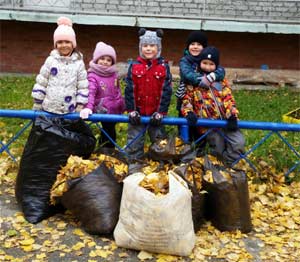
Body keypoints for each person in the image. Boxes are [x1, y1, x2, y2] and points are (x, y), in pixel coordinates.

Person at [181, 46, 245, 166]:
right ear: (200, 63)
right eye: (205, 63)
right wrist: (189, 112)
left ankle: (229, 164)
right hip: (209, 125)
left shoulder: (221, 81)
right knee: (217, 148)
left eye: (211, 64)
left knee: (238, 143)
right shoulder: (194, 83)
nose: (207, 67)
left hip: (226, 121)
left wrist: (231, 115)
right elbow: (187, 99)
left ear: (216, 66)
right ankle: (219, 168)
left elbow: (228, 98)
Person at [125, 28, 172, 172]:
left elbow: (166, 90)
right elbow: (129, 90)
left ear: (158, 47)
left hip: (155, 116)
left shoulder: (163, 67)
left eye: (152, 46)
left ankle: (160, 171)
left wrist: (161, 113)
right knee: (134, 144)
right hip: (138, 115)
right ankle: (134, 171)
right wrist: (132, 110)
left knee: (160, 145)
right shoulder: (134, 66)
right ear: (141, 47)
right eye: (145, 46)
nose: (148, 48)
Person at [175, 30, 225, 144]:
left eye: (199, 44)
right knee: (185, 122)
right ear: (188, 46)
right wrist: (204, 79)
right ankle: (184, 144)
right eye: (192, 44)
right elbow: (188, 75)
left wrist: (212, 76)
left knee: (200, 126)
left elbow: (221, 71)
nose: (195, 47)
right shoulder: (185, 61)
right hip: (186, 98)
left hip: (204, 99)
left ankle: (200, 146)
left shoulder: (208, 60)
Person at [31, 17, 88, 114]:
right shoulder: (51, 60)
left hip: (68, 109)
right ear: (56, 44)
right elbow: (42, 81)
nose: (64, 45)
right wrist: (38, 102)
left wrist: (80, 104)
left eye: (67, 42)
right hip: (48, 108)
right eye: (60, 42)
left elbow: (82, 85)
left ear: (73, 44)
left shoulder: (78, 63)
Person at [80, 42, 125, 148]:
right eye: (102, 58)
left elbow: (117, 91)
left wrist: (122, 105)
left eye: (109, 60)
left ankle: (108, 153)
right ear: (96, 59)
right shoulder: (93, 75)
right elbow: (90, 93)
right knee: (103, 132)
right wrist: (88, 107)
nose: (105, 62)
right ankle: (98, 150)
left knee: (110, 132)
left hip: (113, 110)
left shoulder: (113, 74)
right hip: (100, 109)